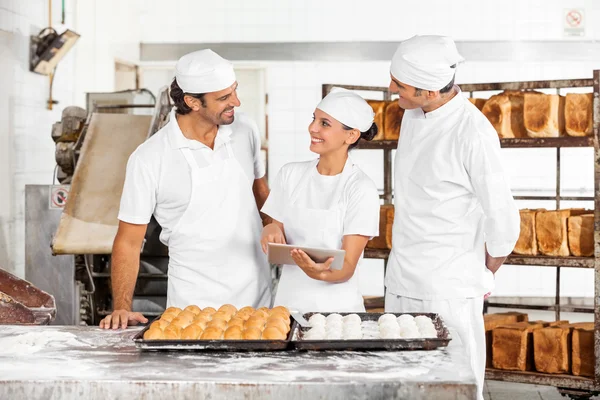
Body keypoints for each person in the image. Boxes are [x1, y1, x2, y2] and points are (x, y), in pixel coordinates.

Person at [384, 35, 520, 400]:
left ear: (429, 91)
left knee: (452, 388)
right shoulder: (414, 115)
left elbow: (503, 216)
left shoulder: (472, 132)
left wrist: (482, 267)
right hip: (401, 279)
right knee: (404, 384)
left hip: (448, 288)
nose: (390, 87)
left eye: (398, 83)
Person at [100, 49, 272, 329]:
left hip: (256, 297)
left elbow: (260, 190)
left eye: (234, 91)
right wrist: (122, 307)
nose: (236, 102)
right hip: (193, 308)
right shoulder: (149, 158)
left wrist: (275, 229)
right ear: (192, 101)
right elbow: (128, 242)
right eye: (224, 98)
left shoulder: (245, 130)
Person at [260, 88, 381, 312]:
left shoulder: (360, 188)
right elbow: (275, 224)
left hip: (338, 315)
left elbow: (346, 268)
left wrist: (318, 273)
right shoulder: (290, 174)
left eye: (324, 123)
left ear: (351, 135)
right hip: (287, 310)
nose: (312, 128)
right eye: (314, 119)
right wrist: (270, 230)